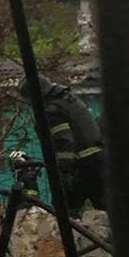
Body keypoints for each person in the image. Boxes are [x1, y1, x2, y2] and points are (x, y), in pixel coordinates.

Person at [25, 75, 105, 211]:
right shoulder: (69, 100)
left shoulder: (52, 111)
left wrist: (64, 172)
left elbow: (64, 142)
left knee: (64, 211)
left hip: (81, 166)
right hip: (99, 162)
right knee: (105, 209)